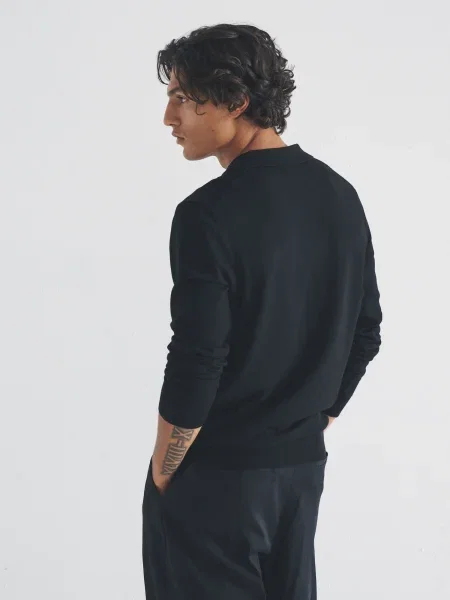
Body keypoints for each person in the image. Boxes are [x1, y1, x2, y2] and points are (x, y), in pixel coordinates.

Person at [142, 23, 382, 600]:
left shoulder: (207, 214)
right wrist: (308, 423)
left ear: (235, 101)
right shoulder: (339, 195)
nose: (169, 118)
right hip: (300, 474)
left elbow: (199, 356)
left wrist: (163, 471)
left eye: (182, 98)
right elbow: (366, 332)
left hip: (217, 476)